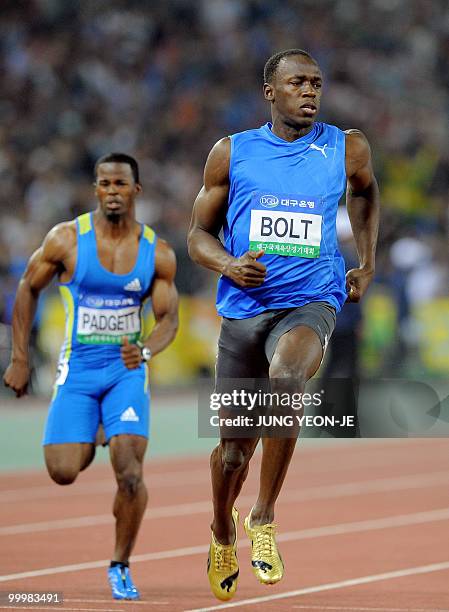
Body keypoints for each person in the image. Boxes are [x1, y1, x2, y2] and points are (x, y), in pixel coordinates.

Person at [188, 49, 379, 601]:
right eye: (298, 82)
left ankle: (264, 518)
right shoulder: (233, 153)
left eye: (317, 82)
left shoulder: (347, 146)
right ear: (270, 91)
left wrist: (366, 261)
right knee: (231, 453)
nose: (310, 91)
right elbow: (197, 235)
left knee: (288, 379)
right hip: (246, 309)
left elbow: (365, 193)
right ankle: (223, 527)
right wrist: (227, 263)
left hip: (312, 299)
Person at [3, 152, 178, 601]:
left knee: (130, 474)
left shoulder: (156, 252)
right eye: (104, 184)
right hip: (78, 369)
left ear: (135, 191)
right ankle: (99, 427)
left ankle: (120, 564)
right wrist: (20, 357)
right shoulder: (67, 240)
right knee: (63, 471)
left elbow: (168, 320)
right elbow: (27, 288)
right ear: (95, 189)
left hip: (125, 372)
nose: (112, 192)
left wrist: (145, 350)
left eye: (120, 184)